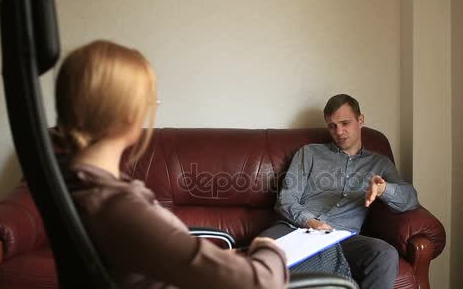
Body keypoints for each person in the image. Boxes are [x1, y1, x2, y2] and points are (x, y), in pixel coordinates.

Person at [53, 40, 288, 289]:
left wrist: (216, 264)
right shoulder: (116, 206)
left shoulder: (74, 181)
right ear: (128, 114)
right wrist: (269, 248)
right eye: (148, 102)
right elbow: (262, 283)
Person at [274, 94, 419, 289]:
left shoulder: (380, 163)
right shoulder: (309, 153)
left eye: (345, 123)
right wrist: (312, 222)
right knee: (270, 254)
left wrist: (384, 189)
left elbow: (411, 199)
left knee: (385, 252)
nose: (339, 131)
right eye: (332, 126)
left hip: (343, 238)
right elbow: (286, 199)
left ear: (360, 120)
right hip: (295, 229)